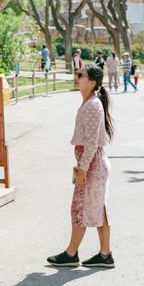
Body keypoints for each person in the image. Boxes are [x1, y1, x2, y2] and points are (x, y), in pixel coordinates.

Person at [47, 64, 115, 268]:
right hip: (93, 165)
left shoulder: (93, 105)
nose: (76, 77)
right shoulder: (90, 103)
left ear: (92, 83)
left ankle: (71, 253)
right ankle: (105, 255)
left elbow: (92, 142)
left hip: (92, 166)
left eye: (81, 75)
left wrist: (83, 168)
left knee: (80, 209)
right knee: (97, 208)